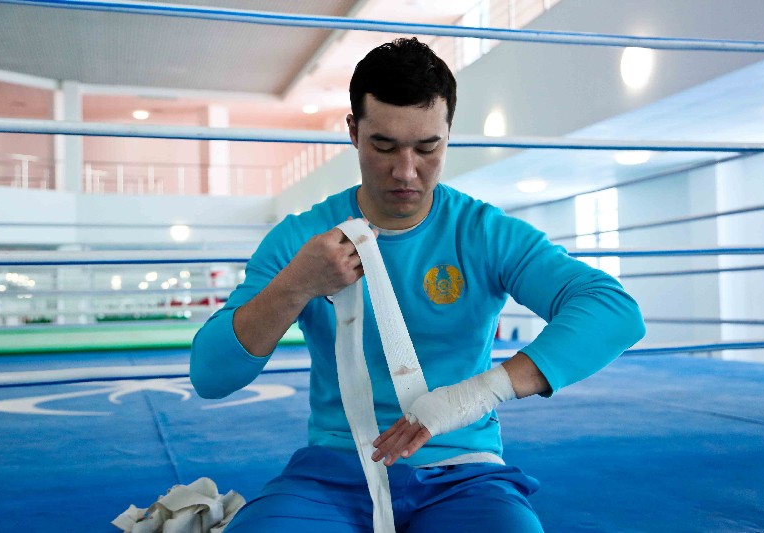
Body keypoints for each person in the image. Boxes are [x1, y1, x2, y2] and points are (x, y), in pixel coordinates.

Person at [190, 37, 645, 532]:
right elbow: (211, 376)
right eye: (383, 146)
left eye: (428, 148)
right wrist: (295, 285)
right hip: (334, 468)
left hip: (464, 470)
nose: (405, 171)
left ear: (448, 135)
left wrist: (476, 395)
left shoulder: (483, 232)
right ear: (353, 132)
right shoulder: (303, 239)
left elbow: (613, 309)